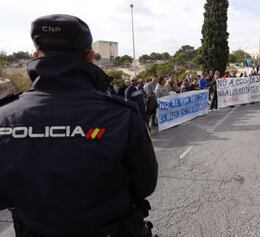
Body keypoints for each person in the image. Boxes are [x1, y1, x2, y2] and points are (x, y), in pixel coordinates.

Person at [0, 14, 158, 236]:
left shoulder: (4, 116)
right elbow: (144, 185)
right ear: (90, 57)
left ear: (36, 55)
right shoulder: (121, 114)